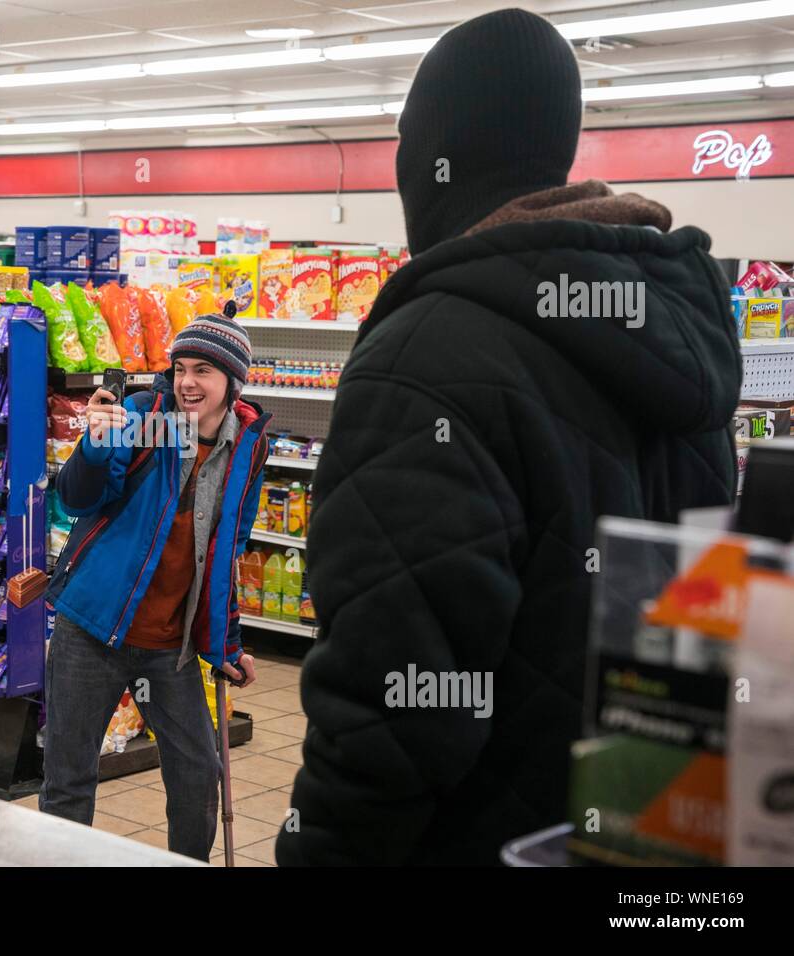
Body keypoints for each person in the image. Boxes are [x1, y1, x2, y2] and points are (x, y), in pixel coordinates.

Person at [276, 8, 742, 865]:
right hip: (646, 836)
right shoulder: (677, 332)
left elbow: (395, 704)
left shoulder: (424, 356)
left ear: (433, 157)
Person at [41, 306, 272, 860]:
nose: (187, 382)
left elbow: (227, 552)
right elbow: (74, 499)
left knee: (197, 778)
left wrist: (227, 642)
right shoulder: (145, 418)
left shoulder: (249, 446)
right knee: (69, 780)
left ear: (232, 380)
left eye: (203, 371)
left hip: (170, 647)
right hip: (91, 631)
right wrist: (94, 445)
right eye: (180, 368)